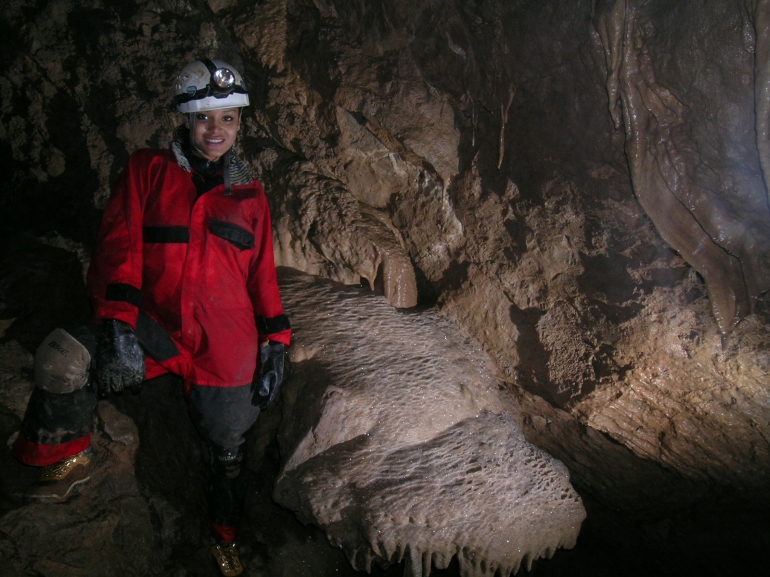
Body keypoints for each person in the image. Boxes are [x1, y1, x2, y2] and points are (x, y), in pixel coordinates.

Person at [12, 58, 291, 577]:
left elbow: (262, 278)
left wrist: (276, 340)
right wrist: (118, 322)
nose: (216, 130)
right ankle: (62, 457)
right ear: (185, 119)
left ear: (240, 124)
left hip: (222, 343)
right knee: (62, 356)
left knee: (228, 447)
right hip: (155, 326)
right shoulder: (148, 170)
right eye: (205, 117)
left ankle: (225, 536)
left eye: (228, 118)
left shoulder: (250, 197)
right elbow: (118, 247)